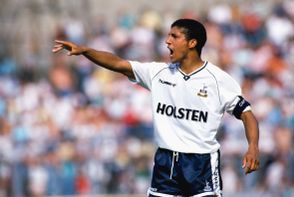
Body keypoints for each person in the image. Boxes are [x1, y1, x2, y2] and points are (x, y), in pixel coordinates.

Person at [52, 18, 260, 197]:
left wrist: (252, 147)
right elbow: (119, 64)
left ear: (192, 43)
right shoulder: (158, 73)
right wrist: (86, 51)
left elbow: (247, 114)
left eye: (174, 36)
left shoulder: (218, 80)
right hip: (165, 161)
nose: (167, 41)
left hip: (201, 163)